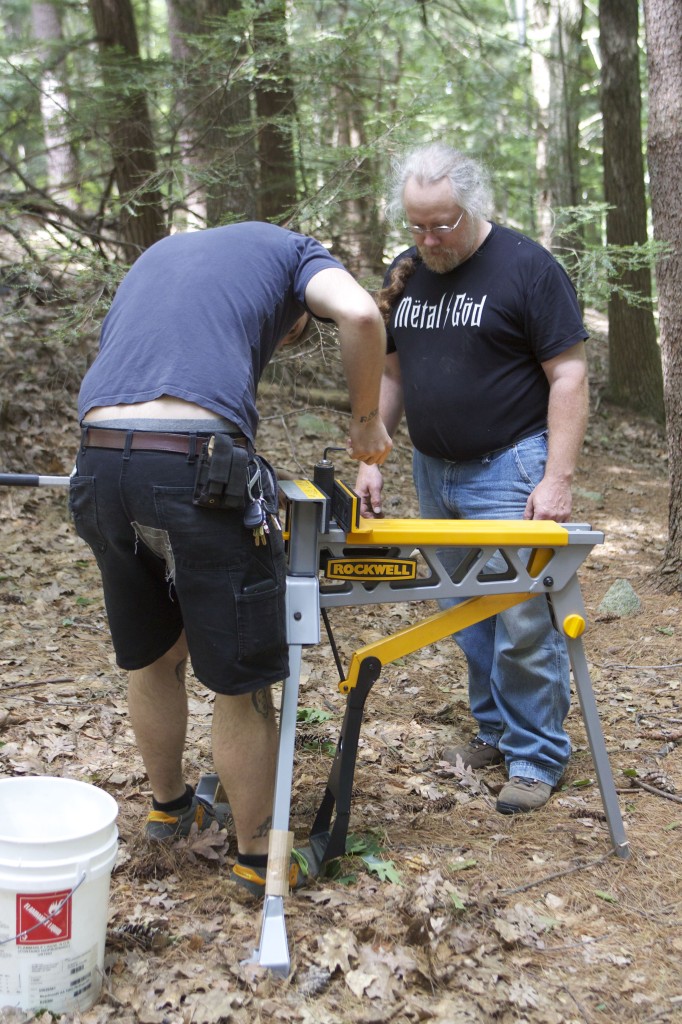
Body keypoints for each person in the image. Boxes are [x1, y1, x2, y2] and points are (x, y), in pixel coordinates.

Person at [69, 220, 392, 894]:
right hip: (192, 468)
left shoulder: (164, 254)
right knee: (241, 681)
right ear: (299, 305)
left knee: (153, 656)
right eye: (292, 333)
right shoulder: (298, 254)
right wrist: (366, 420)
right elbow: (361, 312)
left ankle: (169, 809)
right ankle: (256, 858)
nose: (281, 341)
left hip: (98, 462)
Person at [355, 142, 589, 814]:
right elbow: (394, 374)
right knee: (462, 609)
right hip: (435, 470)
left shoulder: (526, 268)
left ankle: (535, 755)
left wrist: (557, 476)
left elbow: (568, 375)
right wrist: (373, 457)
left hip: (510, 465)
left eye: (443, 224)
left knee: (521, 615)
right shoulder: (409, 273)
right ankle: (494, 730)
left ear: (473, 205)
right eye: (417, 225)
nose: (429, 239)